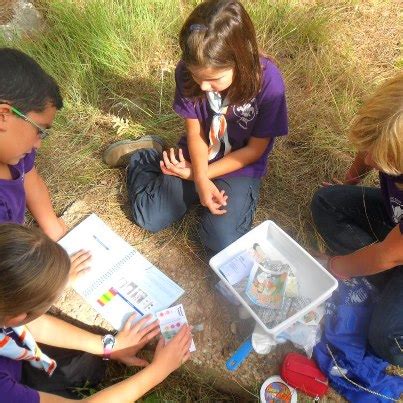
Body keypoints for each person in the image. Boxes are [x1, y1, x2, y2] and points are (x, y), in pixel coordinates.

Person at [103, 0, 288, 253]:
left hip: (239, 167)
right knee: (149, 216)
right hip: (199, 154)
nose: (202, 87)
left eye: (213, 79)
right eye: (196, 76)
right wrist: (199, 176)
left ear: (240, 60)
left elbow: (254, 151)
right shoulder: (187, 73)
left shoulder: (269, 84)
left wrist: (198, 176)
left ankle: (191, 185)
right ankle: (145, 157)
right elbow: (195, 132)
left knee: (221, 242)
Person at [0, 223, 193, 402]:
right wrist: (159, 370)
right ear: (17, 317)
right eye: (49, 301)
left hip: (12, 359)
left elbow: (36, 326)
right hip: (14, 384)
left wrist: (109, 347)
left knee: (85, 362)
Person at [311, 72, 403, 365]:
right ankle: (383, 277)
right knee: (327, 203)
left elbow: (389, 254)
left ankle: (384, 284)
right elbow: (367, 150)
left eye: (389, 163)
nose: (373, 162)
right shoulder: (391, 121)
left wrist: (335, 265)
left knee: (384, 338)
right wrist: (349, 183)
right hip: (395, 230)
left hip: (394, 248)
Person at [0, 48, 66, 240]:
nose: (38, 144)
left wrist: (52, 227)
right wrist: (60, 270)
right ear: (3, 116)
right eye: (39, 130)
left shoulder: (14, 151)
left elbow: (31, 180)